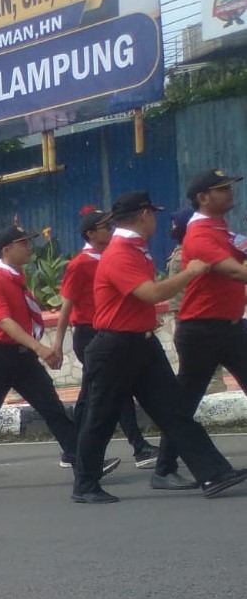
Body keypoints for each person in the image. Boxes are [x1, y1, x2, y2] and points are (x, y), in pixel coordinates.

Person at [72, 190, 247, 502]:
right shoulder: (122, 251)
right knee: (101, 417)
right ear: (143, 216)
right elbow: (151, 293)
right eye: (152, 214)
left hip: (141, 344)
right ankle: (85, 485)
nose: (155, 219)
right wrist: (190, 273)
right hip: (115, 348)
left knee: (175, 411)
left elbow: (133, 299)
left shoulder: (136, 248)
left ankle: (213, 473)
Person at [0, 225, 120, 492]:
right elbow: (4, 322)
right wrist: (41, 349)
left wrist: (39, 349)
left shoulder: (16, 275)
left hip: (22, 358)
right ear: (7, 249)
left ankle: (83, 461)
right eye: (24, 243)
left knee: (52, 408)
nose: (29, 247)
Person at [152, 170, 247, 488]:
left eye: (230, 187)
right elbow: (236, 272)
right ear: (203, 198)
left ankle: (165, 469)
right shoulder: (200, 234)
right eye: (222, 189)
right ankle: (164, 469)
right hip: (202, 331)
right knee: (185, 402)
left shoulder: (220, 229)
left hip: (230, 328)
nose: (230, 193)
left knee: (184, 401)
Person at [52, 207, 159, 468]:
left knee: (91, 395)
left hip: (112, 331)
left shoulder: (115, 256)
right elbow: (67, 305)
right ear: (90, 234)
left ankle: (72, 450)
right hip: (90, 334)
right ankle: (139, 446)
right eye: (104, 227)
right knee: (117, 391)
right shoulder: (80, 264)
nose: (110, 230)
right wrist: (56, 343)